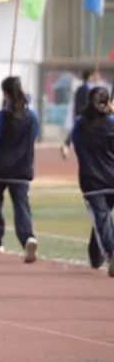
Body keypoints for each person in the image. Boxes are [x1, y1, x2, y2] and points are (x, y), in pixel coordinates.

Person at [0, 76, 40, 263]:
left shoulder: (0, 117)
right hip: (22, 170)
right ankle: (27, 238)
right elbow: (34, 136)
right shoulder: (32, 117)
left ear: (5, 93)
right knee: (22, 206)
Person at [68, 86, 114, 275]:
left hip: (92, 181)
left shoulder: (81, 124)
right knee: (102, 219)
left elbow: (77, 145)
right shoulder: (110, 124)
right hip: (111, 178)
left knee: (101, 218)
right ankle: (95, 257)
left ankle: (111, 253)